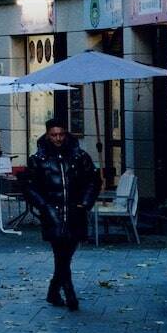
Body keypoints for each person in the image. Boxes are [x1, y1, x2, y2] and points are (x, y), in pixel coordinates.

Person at [22, 118, 99, 311]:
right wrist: (44, 206)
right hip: (52, 213)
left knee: (67, 254)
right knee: (60, 254)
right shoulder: (38, 160)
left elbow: (93, 181)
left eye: (61, 134)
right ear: (47, 135)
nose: (58, 138)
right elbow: (28, 186)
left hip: (75, 211)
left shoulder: (79, 156)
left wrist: (85, 203)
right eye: (54, 135)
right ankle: (69, 293)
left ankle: (53, 291)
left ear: (66, 134)